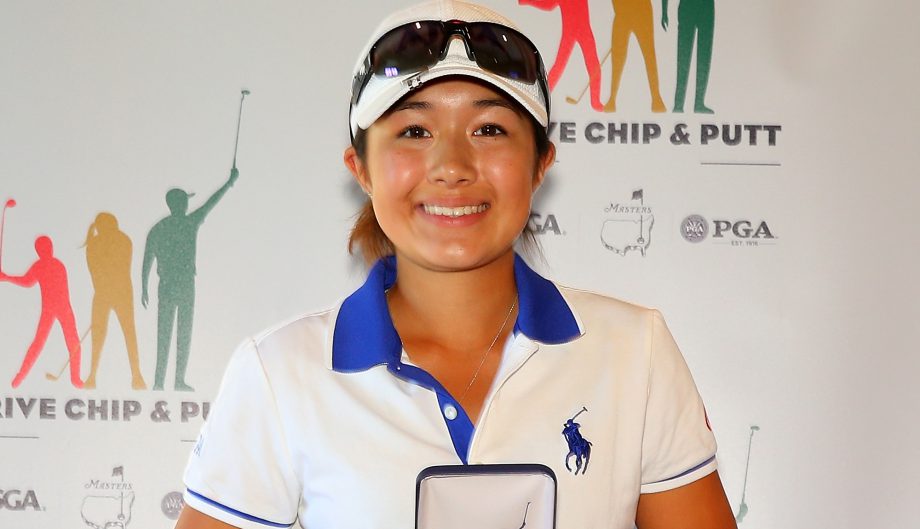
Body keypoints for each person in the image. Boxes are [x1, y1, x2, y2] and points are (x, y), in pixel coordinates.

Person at [175, 1, 736, 528]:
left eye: (489, 129)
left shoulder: (634, 351)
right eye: (414, 131)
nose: (452, 166)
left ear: (541, 163)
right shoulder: (279, 374)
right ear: (361, 169)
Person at [141, 168, 239, 391]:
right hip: (184, 284)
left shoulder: (158, 228)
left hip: (166, 285)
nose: (187, 204)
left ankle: (160, 381)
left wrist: (144, 287)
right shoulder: (189, 222)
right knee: (182, 332)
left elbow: (147, 260)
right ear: (181, 204)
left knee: (164, 332)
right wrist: (229, 183)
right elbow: (211, 203)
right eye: (185, 200)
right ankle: (176, 380)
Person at [0, 235, 84, 389]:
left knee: (62, 342)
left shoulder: (47, 266)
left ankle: (74, 378)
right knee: (59, 342)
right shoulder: (50, 265)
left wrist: (7, 277)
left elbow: (27, 282)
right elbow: (27, 281)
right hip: (58, 308)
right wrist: (6, 277)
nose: (47, 250)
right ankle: (74, 378)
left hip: (58, 308)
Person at [83, 212, 147, 390]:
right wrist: (103, 289)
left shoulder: (123, 240)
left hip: (121, 293)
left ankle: (136, 375)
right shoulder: (94, 244)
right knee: (99, 334)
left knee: (128, 332)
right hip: (104, 293)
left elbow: (122, 267)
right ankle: (92, 376)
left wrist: (107, 288)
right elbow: (94, 271)